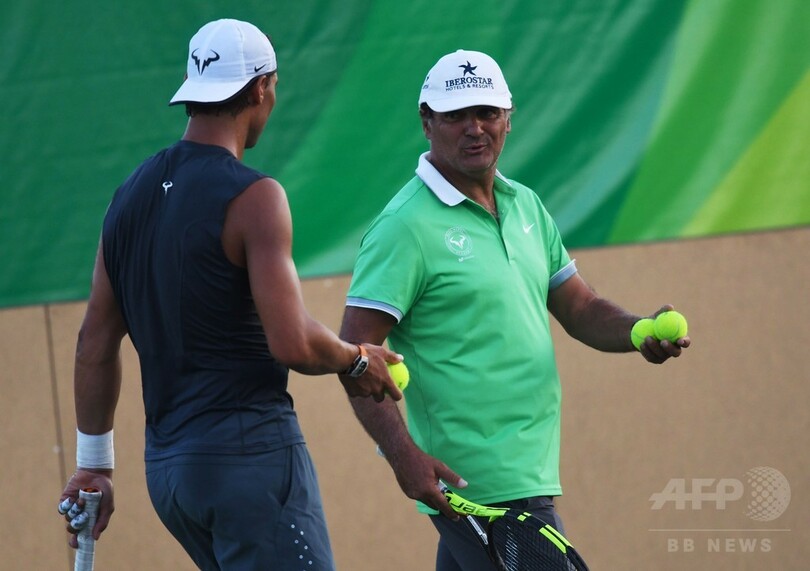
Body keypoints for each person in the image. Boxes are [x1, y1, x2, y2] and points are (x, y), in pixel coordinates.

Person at [57, 18, 403, 571]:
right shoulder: (256, 196)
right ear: (263, 87)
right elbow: (291, 341)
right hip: (249, 464)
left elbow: (92, 344)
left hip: (172, 478)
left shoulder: (126, 198)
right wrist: (357, 359)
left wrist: (94, 465)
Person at [338, 49, 691, 570]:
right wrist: (403, 458)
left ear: (508, 118)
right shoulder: (403, 227)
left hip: (529, 473)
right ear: (426, 122)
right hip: (476, 488)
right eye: (455, 115)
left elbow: (580, 307)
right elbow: (355, 358)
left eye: (486, 112)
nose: (474, 127)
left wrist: (638, 331)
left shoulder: (526, 205)